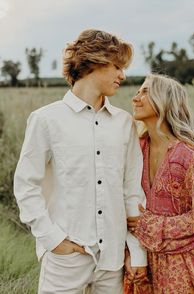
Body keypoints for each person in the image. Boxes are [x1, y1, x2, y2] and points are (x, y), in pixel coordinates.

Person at [14, 29, 147, 294]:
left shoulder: (124, 124)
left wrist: (136, 251)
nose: (123, 75)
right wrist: (53, 239)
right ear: (94, 62)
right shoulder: (46, 120)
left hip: (112, 261)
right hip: (66, 257)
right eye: (117, 66)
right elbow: (25, 186)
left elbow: (132, 191)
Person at [125, 74, 194, 293]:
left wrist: (149, 225)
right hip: (144, 265)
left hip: (182, 268)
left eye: (145, 91)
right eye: (137, 91)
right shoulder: (136, 149)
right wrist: (132, 254)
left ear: (165, 100)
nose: (136, 98)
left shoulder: (188, 156)